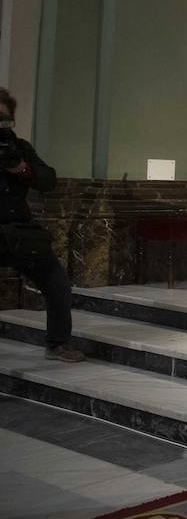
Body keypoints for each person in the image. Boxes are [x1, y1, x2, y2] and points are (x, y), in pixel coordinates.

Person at [0, 89, 81, 363]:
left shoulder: (18, 147)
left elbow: (48, 180)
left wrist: (23, 169)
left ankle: (58, 344)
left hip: (20, 231)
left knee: (56, 283)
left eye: (3, 117)